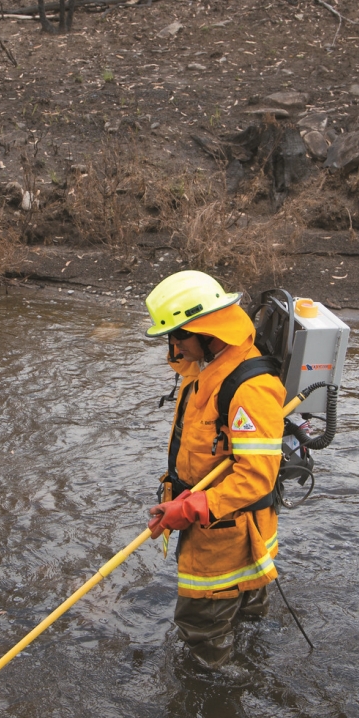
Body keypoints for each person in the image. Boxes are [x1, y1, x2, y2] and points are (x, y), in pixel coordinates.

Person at [143, 270, 285, 667]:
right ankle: (252, 664)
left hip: (226, 536)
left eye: (177, 336)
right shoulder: (209, 362)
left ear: (206, 330)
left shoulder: (248, 390)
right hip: (224, 525)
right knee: (246, 613)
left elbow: (256, 476)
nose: (173, 347)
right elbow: (184, 365)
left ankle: (215, 691)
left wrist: (186, 510)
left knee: (201, 629)